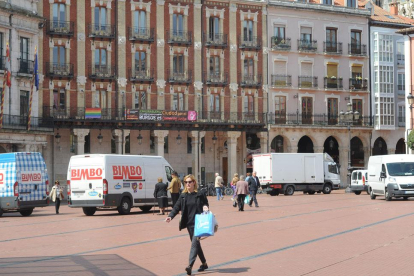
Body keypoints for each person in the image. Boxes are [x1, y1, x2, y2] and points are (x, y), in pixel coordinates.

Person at [165, 174, 209, 275]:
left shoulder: (200, 194)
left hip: (199, 223)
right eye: (186, 182)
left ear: (194, 183)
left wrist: (205, 207)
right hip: (189, 224)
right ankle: (204, 263)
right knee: (197, 244)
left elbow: (205, 203)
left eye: (189, 182)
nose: (187, 184)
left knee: (194, 244)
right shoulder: (183, 195)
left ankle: (190, 266)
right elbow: (176, 207)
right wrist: (170, 216)